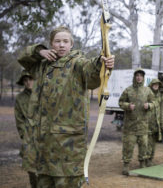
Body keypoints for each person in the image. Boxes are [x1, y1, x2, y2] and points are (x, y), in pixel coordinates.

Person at [17, 26, 114, 188]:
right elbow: (22, 57)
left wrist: (102, 63)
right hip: (42, 145)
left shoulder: (77, 64)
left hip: (67, 146)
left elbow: (91, 72)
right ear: (51, 44)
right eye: (57, 41)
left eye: (65, 41)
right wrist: (39, 51)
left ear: (71, 44)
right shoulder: (41, 65)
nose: (61, 45)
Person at [119, 68, 154, 175]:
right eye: (137, 75)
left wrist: (149, 105)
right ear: (135, 77)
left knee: (144, 145)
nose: (139, 77)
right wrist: (128, 106)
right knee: (128, 146)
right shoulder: (128, 90)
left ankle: (142, 163)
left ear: (143, 78)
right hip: (130, 125)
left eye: (141, 76)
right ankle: (126, 165)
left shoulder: (147, 90)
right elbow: (120, 102)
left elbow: (154, 102)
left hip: (143, 125)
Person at [15, 70, 37, 188]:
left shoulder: (43, 93)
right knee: (32, 170)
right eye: (25, 80)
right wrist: (26, 137)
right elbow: (19, 121)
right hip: (29, 139)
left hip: (47, 137)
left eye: (30, 79)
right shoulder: (20, 98)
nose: (28, 82)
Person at [146, 78, 163, 167]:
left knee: (153, 143)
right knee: (148, 143)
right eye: (154, 84)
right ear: (151, 85)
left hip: (156, 123)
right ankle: (147, 160)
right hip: (148, 123)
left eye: (157, 84)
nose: (156, 86)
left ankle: (151, 159)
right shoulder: (147, 93)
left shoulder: (159, 95)